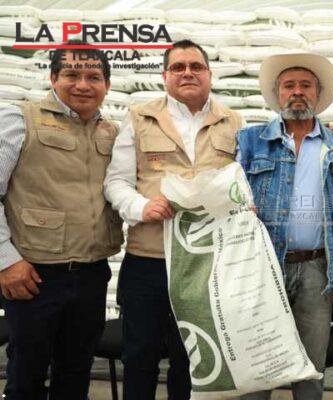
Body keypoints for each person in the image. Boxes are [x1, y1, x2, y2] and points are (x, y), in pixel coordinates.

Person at [104, 39, 243, 400]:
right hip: (149, 259)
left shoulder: (232, 122)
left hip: (205, 263)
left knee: (193, 359)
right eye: (178, 67)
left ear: (209, 74)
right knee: (140, 356)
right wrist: (140, 207)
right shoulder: (140, 118)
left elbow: (240, 185)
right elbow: (116, 182)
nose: (187, 73)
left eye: (196, 66)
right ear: (165, 76)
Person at [0, 40, 121, 399]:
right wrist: (6, 261)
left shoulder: (111, 132)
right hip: (34, 275)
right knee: (26, 376)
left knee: (76, 372)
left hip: (91, 273)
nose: (83, 85)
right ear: (53, 78)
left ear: (106, 85)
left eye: (93, 77)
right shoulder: (20, 119)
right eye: (71, 75)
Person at [236, 53, 333, 399]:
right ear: (278, 94)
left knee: (310, 369)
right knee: (258, 367)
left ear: (318, 94)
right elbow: (232, 197)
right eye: (289, 86)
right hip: (263, 268)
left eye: (306, 85)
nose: (298, 92)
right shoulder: (250, 141)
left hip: (317, 270)